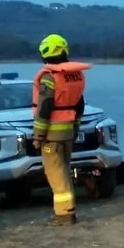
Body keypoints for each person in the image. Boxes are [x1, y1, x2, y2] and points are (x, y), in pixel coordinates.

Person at [32, 33, 90, 226]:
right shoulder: (76, 75)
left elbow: (45, 108)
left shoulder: (49, 77)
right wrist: (75, 126)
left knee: (56, 173)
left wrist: (38, 135)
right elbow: (79, 104)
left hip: (52, 134)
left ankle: (64, 214)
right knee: (64, 169)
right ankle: (69, 210)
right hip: (68, 131)